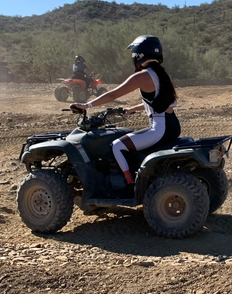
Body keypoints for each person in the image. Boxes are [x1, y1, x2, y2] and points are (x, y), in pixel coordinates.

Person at [70, 35, 180, 189]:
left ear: (138, 55)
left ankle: (130, 184)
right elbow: (160, 103)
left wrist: (86, 105)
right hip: (172, 126)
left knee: (117, 146)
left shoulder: (142, 76)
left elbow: (112, 95)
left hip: (159, 130)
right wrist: (133, 108)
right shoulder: (163, 74)